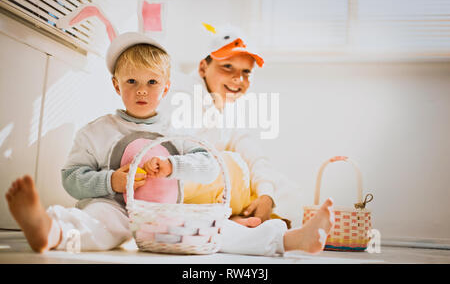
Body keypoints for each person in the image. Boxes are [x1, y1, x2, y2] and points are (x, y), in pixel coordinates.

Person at [5, 31, 335, 257]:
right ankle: (51, 230)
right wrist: (110, 181)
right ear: (115, 85)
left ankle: (291, 239)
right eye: (131, 82)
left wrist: (174, 166)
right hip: (117, 207)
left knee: (215, 231)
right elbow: (72, 177)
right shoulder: (98, 131)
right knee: (97, 224)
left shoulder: (178, 128)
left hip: (169, 212)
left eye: (152, 82)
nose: (142, 91)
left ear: (166, 89)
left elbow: (208, 165)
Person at [161, 25, 297, 228]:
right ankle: (244, 221)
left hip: (205, 187)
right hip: (171, 183)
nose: (238, 79)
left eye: (246, 72)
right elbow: (182, 155)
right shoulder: (182, 94)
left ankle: (248, 218)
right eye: (227, 67)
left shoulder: (227, 106)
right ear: (203, 68)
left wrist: (266, 195)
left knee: (277, 184)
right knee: (232, 164)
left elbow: (254, 154)